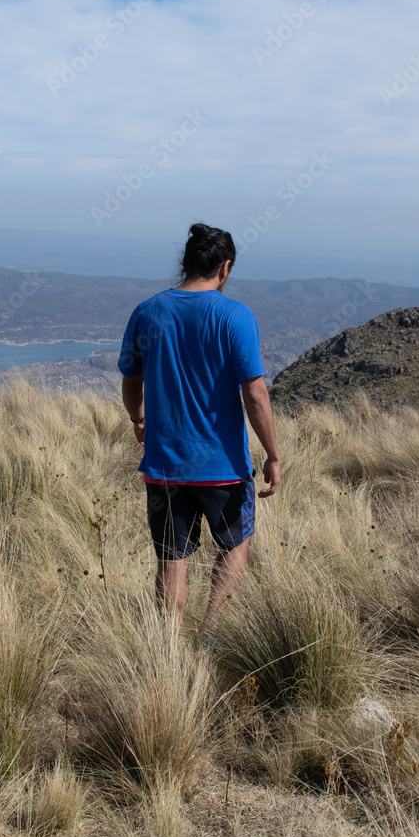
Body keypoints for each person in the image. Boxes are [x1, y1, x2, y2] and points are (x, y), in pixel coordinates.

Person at [118, 223, 281, 637]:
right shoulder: (235, 316)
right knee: (234, 546)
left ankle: (168, 649)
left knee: (171, 561)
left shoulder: (147, 312)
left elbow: (131, 382)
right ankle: (209, 634)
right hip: (223, 467)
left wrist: (139, 420)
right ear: (224, 268)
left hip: (165, 465)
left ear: (186, 263)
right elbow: (255, 394)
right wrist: (273, 455)